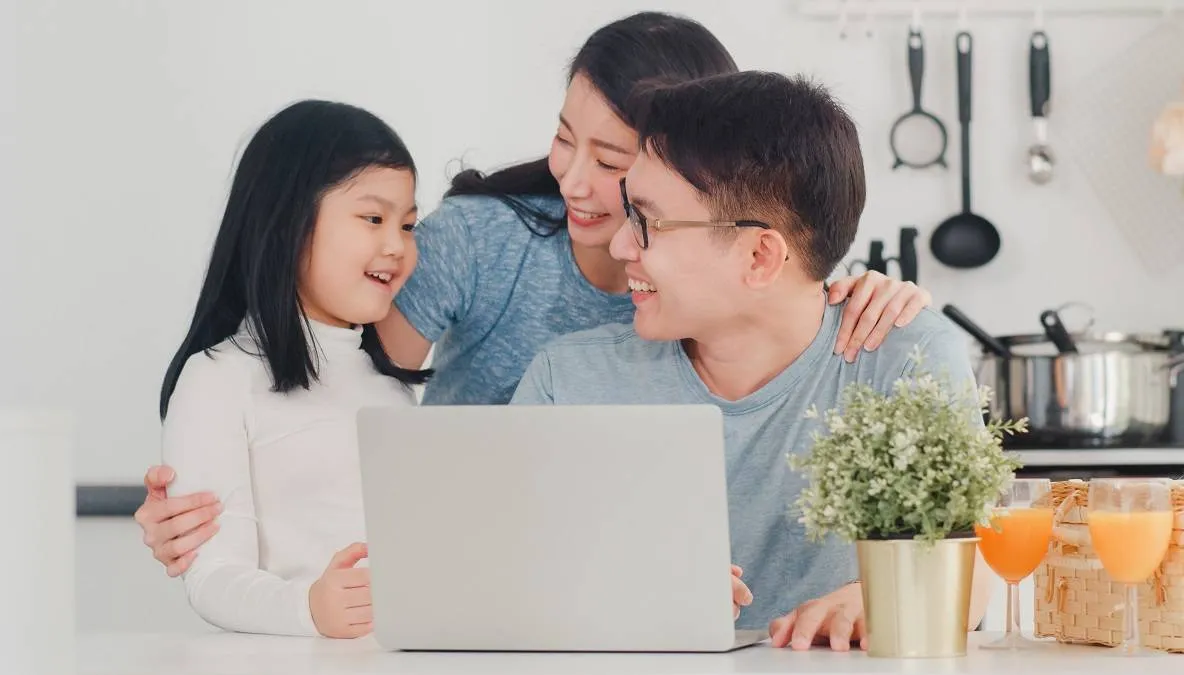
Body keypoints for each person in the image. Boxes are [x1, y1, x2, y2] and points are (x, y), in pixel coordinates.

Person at [135, 13, 932, 581]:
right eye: (562, 138)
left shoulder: (716, 277)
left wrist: (859, 296)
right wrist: (211, 491)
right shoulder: (480, 242)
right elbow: (343, 385)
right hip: (456, 567)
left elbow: (779, 288)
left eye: (611, 161)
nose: (573, 181)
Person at [508, 70, 993, 651]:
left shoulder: (903, 359)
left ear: (761, 256)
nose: (620, 245)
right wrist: (615, 589)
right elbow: (503, 576)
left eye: (646, 222)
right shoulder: (568, 381)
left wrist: (889, 597)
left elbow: (975, 569)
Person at [157, 99, 429, 638]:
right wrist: (307, 608)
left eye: (408, 224)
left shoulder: (390, 388)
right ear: (290, 222)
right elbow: (212, 575)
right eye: (374, 218)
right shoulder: (217, 379)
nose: (397, 245)